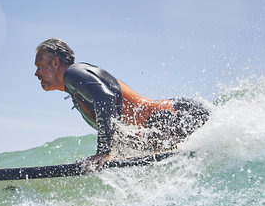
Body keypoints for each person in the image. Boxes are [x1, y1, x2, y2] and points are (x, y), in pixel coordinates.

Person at [34, 38, 211, 171]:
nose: (36, 73)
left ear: (55, 62)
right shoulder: (76, 91)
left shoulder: (74, 73)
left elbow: (105, 99)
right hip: (168, 128)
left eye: (39, 65)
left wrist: (103, 153)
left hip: (175, 116)